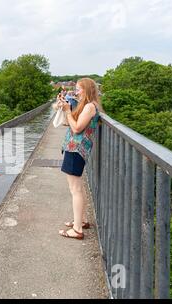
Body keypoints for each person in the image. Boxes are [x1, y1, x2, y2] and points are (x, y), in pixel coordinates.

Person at [57, 78, 104, 240]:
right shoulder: (89, 106)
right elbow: (72, 124)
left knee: (75, 189)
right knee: (79, 187)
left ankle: (77, 230)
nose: (76, 92)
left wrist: (68, 111)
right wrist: (65, 109)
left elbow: (76, 128)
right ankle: (81, 221)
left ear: (87, 89)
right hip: (76, 149)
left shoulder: (90, 107)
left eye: (79, 89)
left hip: (76, 149)